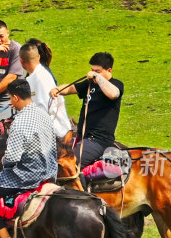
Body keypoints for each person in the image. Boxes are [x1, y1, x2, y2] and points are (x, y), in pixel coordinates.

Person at [0, 79, 58, 238]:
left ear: (15, 97)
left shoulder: (20, 122)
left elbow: (13, 158)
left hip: (27, 175)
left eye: (10, 99)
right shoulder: (43, 113)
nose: (10, 102)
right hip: (50, 171)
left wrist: (4, 160)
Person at [51, 52, 124, 185]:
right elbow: (71, 88)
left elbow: (113, 94)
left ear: (109, 70)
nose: (92, 73)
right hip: (83, 137)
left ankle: (85, 199)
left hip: (99, 140)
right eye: (92, 70)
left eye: (98, 71)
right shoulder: (90, 84)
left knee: (72, 165)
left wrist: (97, 77)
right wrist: (57, 89)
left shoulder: (116, 84)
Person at [19, 42, 72, 138]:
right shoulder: (32, 77)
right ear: (38, 57)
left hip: (56, 133)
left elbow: (45, 110)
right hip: (44, 131)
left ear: (21, 61)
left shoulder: (41, 77)